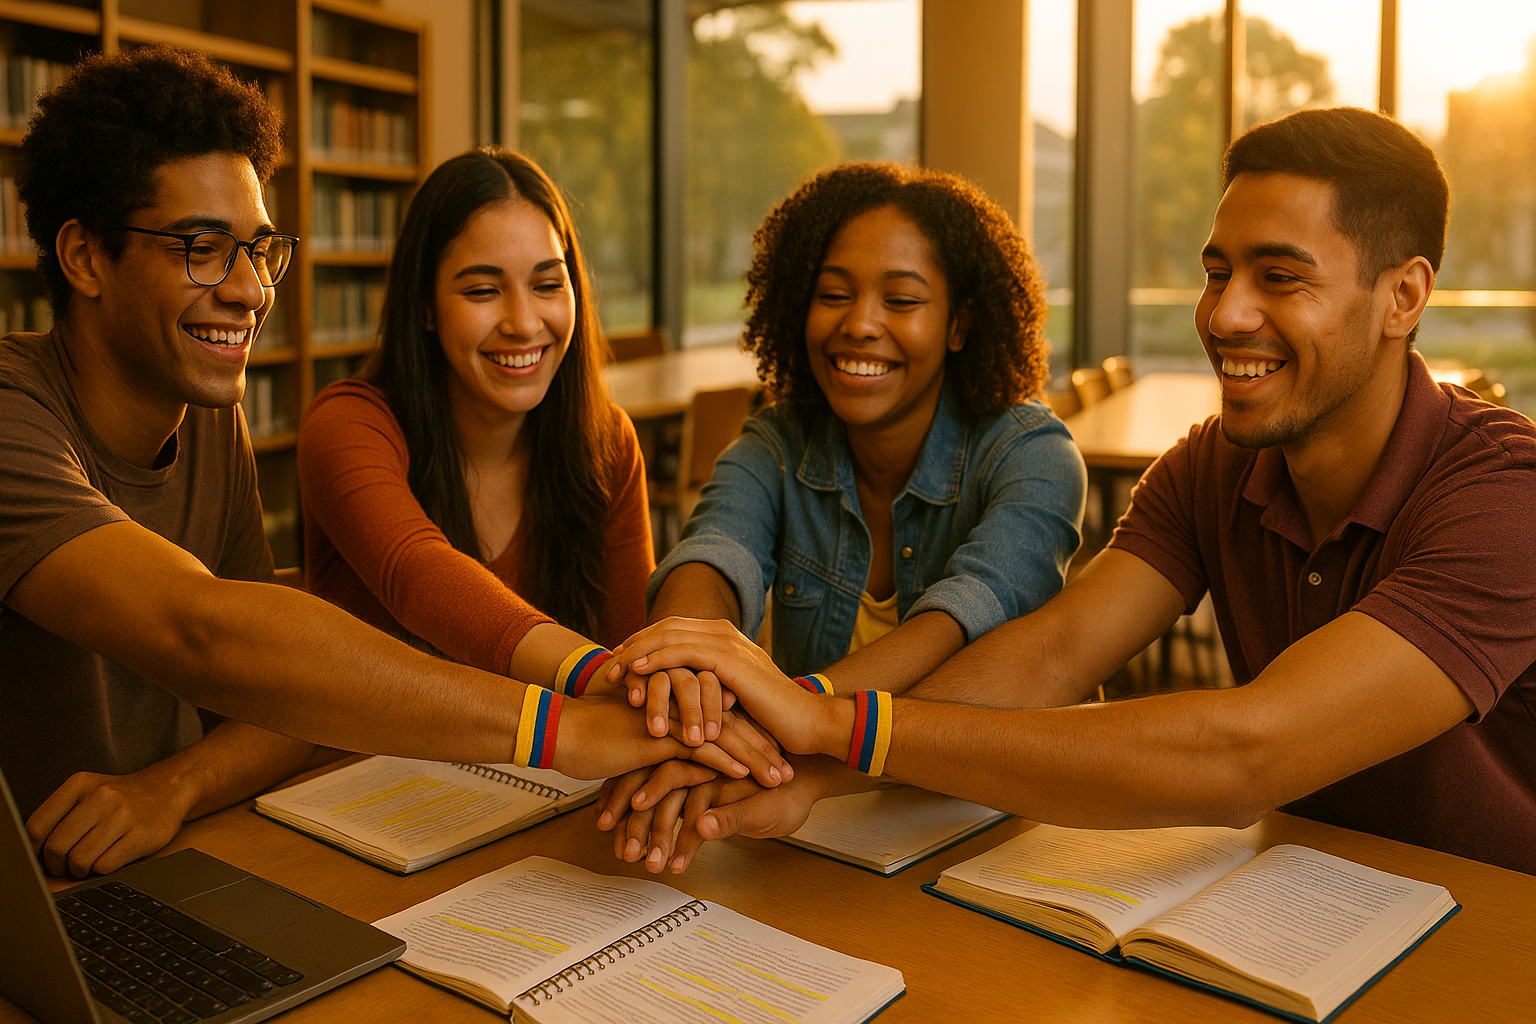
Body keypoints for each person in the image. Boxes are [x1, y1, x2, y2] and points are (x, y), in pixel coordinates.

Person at [603, 106, 1536, 877]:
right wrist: (811, 770)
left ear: (1404, 296)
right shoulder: (1214, 466)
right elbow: (1049, 657)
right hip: (1307, 891)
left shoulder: (1506, 493)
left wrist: (834, 723)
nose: (1225, 315)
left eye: (1280, 278)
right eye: (1217, 274)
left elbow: (1245, 751)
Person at [0, 46, 782, 878]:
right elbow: (202, 632)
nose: (253, 291)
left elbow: (272, 688)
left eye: (259, 250)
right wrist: (571, 725)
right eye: (202, 247)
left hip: (156, 865)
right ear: (84, 256)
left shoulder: (205, 423)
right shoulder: (17, 410)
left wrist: (175, 786)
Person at [635, 162, 1085, 744]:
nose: (861, 323)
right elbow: (715, 554)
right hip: (812, 800)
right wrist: (687, 656)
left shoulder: (1033, 455)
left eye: (900, 300)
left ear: (958, 324)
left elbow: (959, 621)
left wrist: (800, 710)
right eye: (834, 295)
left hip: (987, 804)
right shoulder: (776, 443)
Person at [298, 148, 653, 695]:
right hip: (366, 770)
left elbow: (633, 651)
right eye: (483, 290)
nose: (524, 322)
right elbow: (418, 577)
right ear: (424, 307)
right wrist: (600, 677)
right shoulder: (348, 425)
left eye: (547, 284)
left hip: (542, 772)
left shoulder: (606, 443)